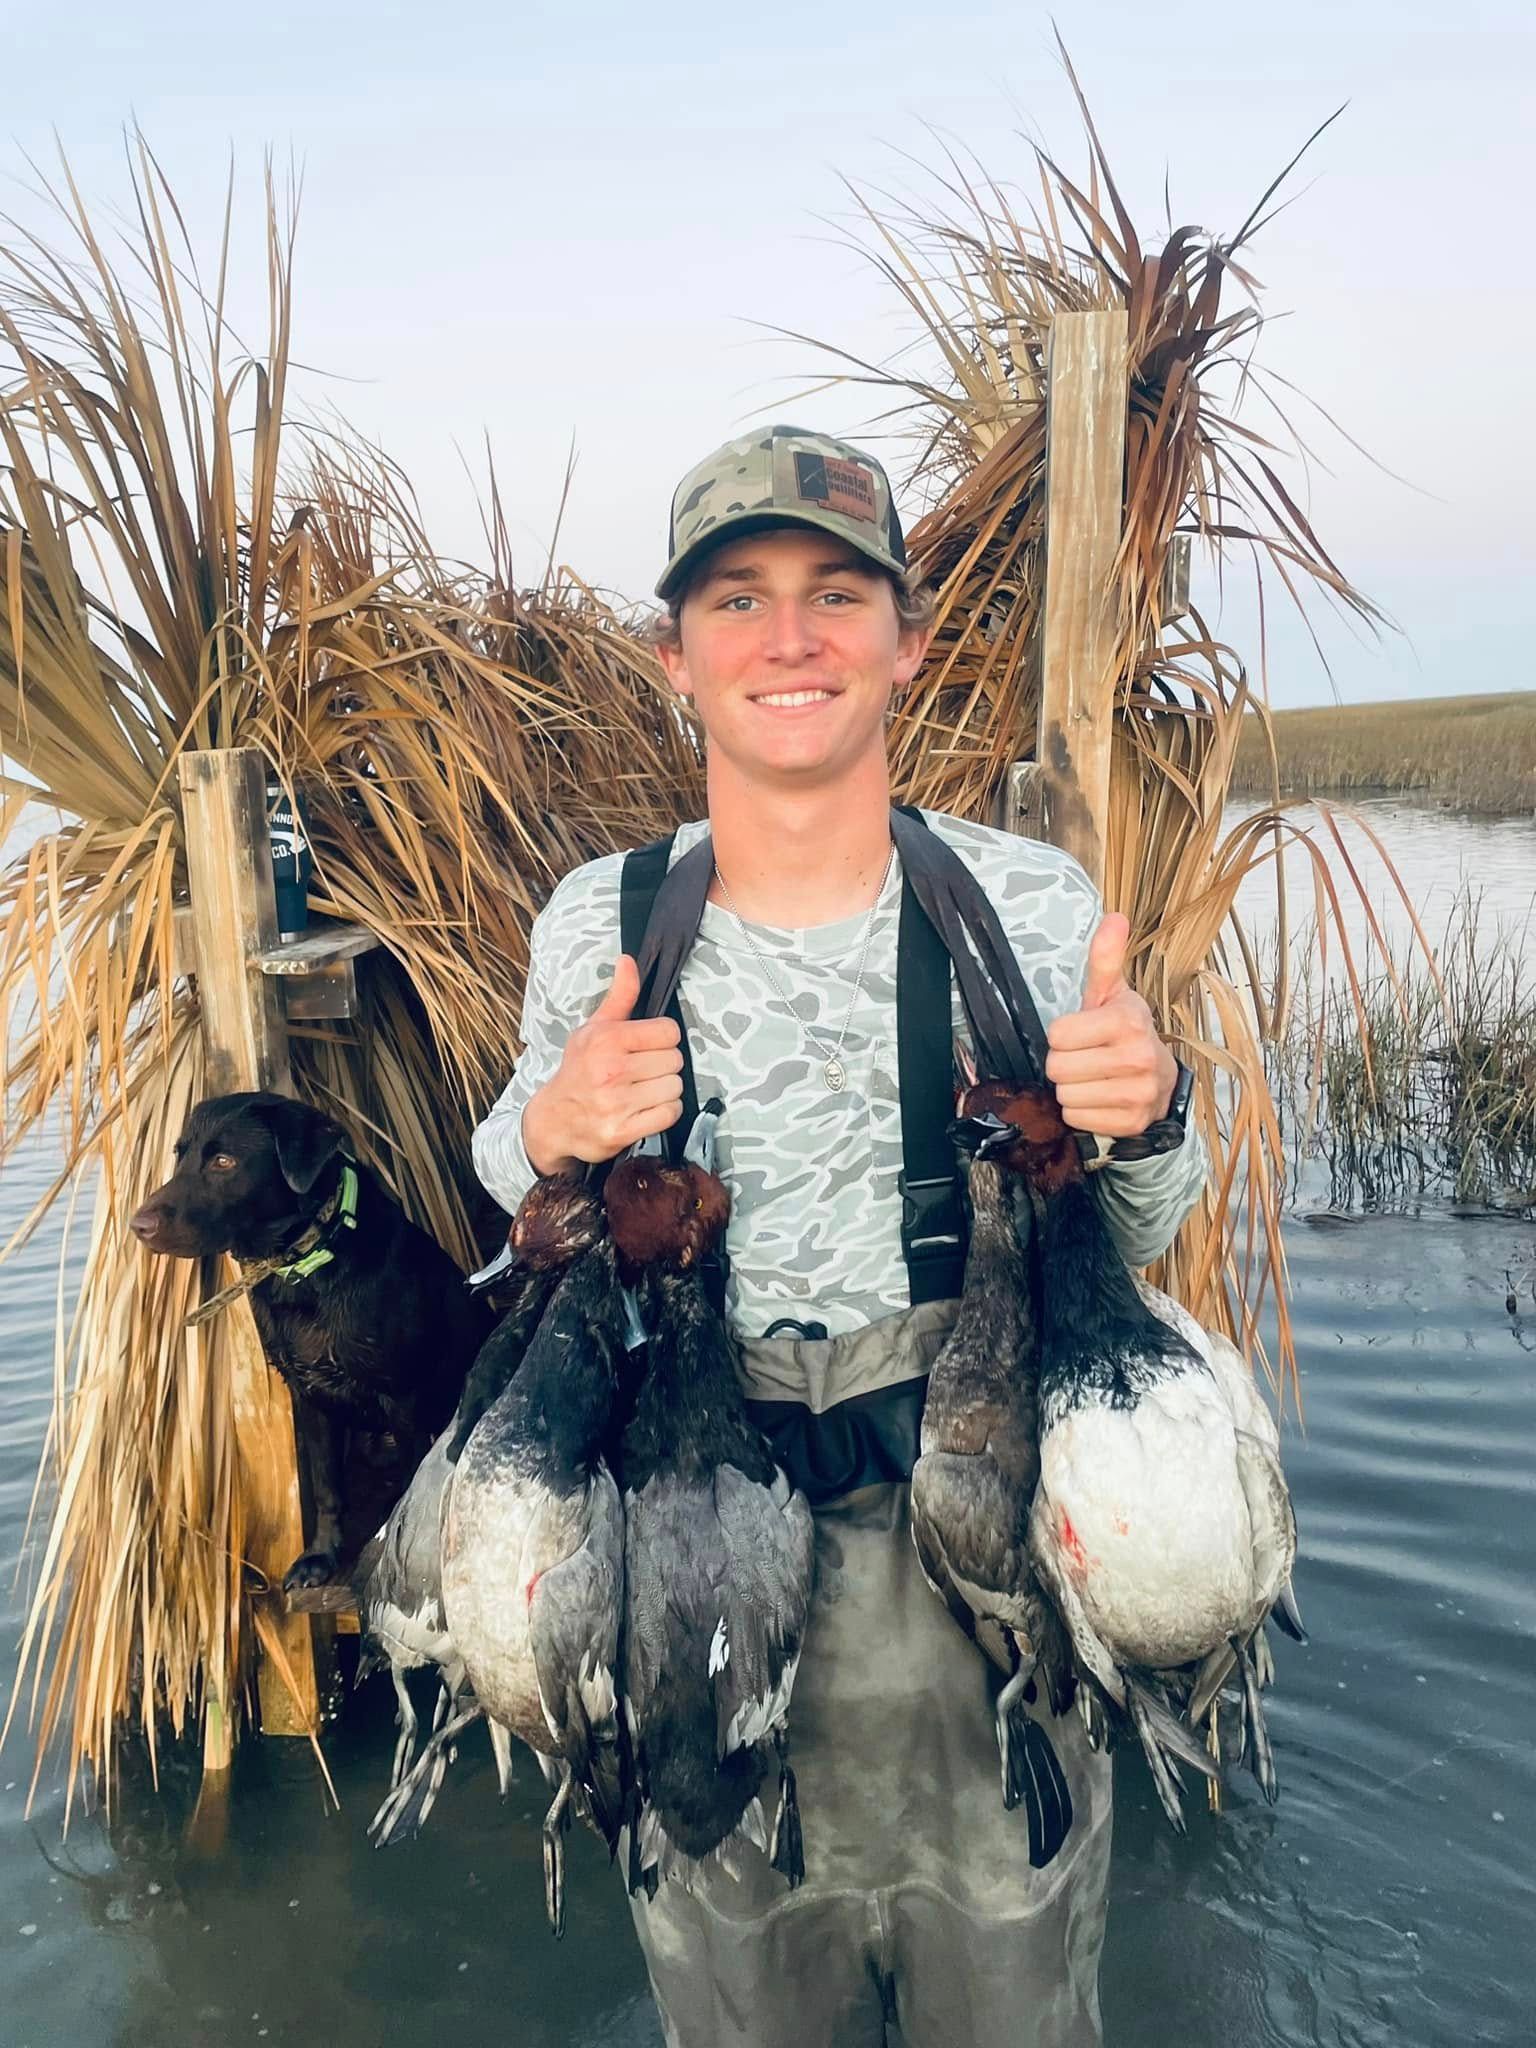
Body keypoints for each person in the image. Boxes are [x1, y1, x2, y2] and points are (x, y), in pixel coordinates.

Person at [472, 425, 1206, 2047]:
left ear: (905, 641)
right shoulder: (598, 921)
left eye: (834, 594)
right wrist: (546, 1129)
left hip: (984, 1555)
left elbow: (1140, 1233)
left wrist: (1144, 1112)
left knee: (1014, 1996)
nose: (788, 638)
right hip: (686, 1549)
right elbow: (510, 1204)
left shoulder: (1021, 901)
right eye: (736, 600)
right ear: (674, 657)